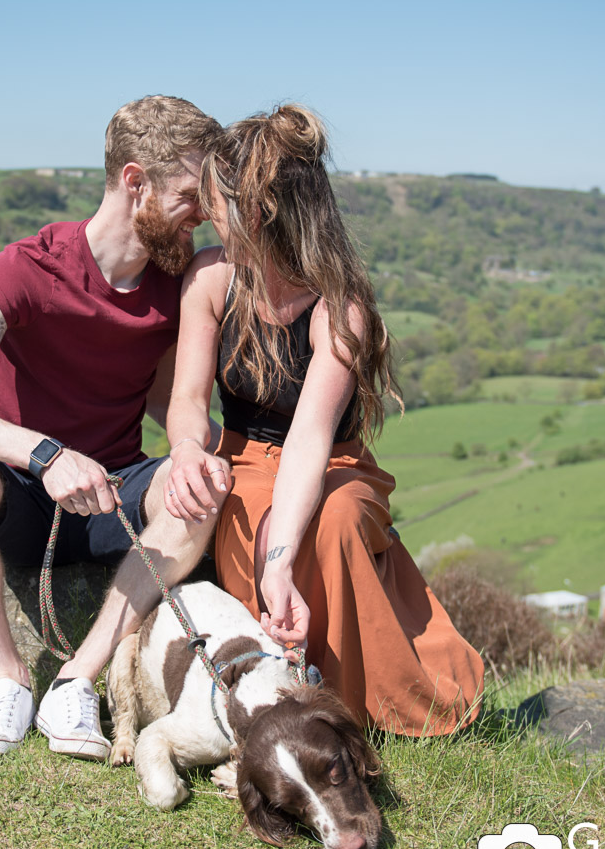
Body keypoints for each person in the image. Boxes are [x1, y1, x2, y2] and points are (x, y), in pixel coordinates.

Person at [0, 95, 231, 761]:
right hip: (22, 496)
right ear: (134, 181)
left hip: (114, 496)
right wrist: (45, 454)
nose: (205, 212)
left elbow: (171, 408)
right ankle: (8, 678)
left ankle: (77, 678)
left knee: (201, 478)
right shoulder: (27, 268)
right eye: (193, 194)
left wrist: (203, 451)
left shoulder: (172, 285)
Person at [162, 105, 485, 736]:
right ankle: (271, 698)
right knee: (243, 505)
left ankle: (373, 706)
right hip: (242, 452)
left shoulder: (339, 306)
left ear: (260, 211)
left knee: (335, 519)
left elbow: (311, 436)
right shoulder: (210, 278)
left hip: (333, 463)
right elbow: (185, 401)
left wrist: (280, 562)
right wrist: (183, 451)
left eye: (219, 201)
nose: (207, 213)